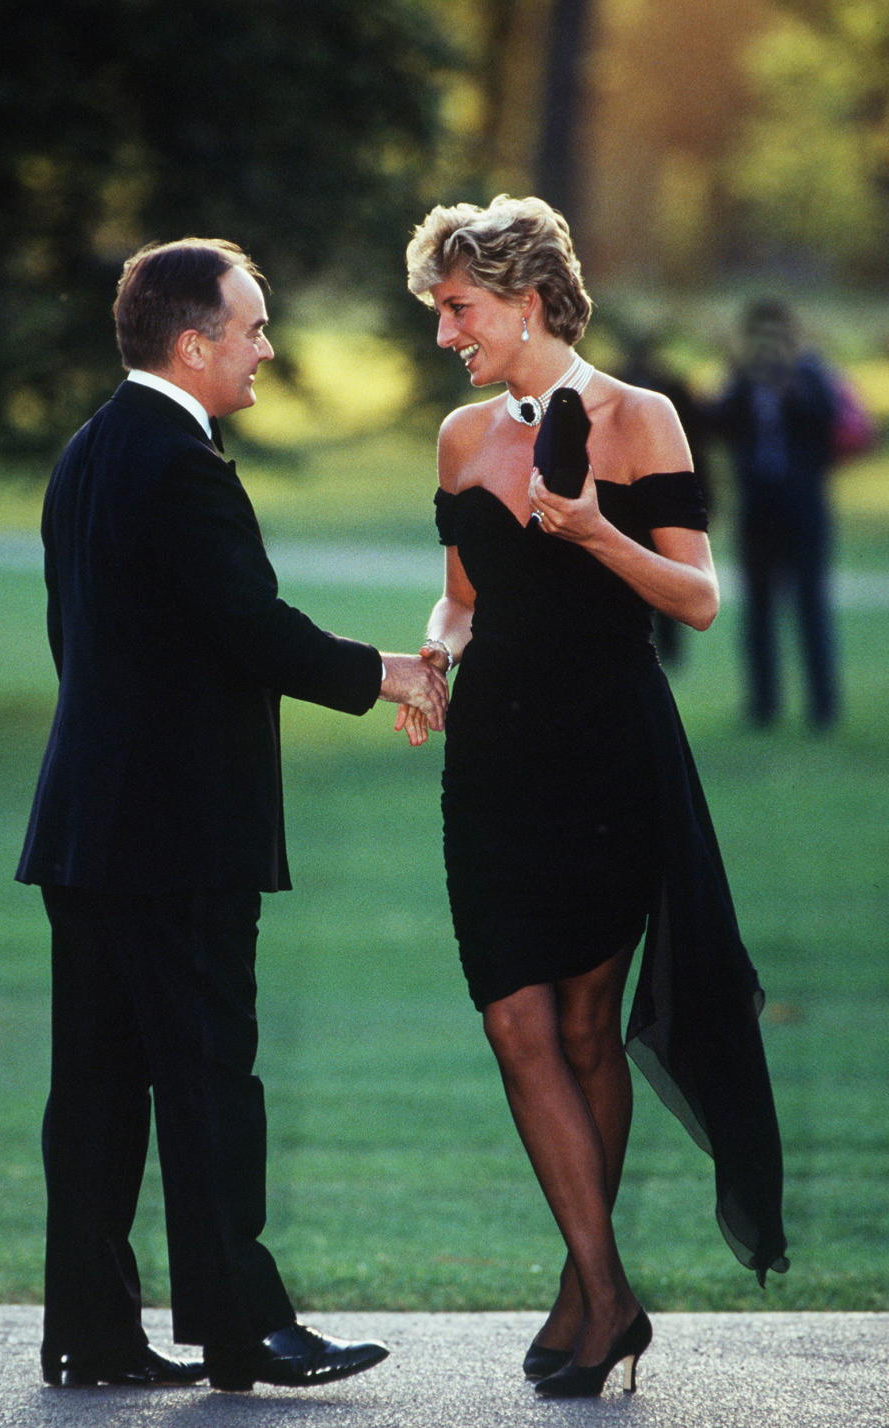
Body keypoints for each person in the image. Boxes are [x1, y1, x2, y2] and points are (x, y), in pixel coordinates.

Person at [16, 238, 447, 1393]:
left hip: (86, 828)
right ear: (194, 342)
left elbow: (90, 642)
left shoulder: (89, 452)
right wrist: (390, 673)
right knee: (210, 1081)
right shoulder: (182, 464)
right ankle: (242, 1329)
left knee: (98, 1092)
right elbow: (246, 627)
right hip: (178, 836)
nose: (267, 350)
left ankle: (92, 1334)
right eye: (253, 329)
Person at [400, 196, 788, 1400]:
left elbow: (700, 599)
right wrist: (434, 653)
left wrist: (590, 532)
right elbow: (460, 596)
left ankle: (583, 1297)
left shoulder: (645, 418)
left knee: (580, 1026)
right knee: (512, 1020)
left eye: (458, 308)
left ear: (524, 300)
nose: (446, 332)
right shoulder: (462, 438)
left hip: (612, 755)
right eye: (439, 312)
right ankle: (610, 1289)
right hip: (496, 764)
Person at [713, 299, 841, 728]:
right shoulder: (742, 378)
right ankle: (763, 703)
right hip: (758, 509)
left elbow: (828, 423)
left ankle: (822, 705)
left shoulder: (811, 374)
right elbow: (718, 423)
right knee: (759, 609)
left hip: (803, 508)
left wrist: (789, 383)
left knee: (810, 606)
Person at [618, 331, 714, 668]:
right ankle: (658, 646)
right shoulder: (666, 386)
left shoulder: (652, 387)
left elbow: (694, 450)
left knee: (662, 573)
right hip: (641, 498)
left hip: (644, 497)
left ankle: (665, 647)